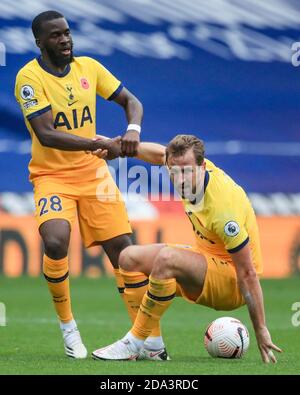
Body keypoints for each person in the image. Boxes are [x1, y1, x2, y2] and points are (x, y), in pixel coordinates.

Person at [14, 10, 145, 359]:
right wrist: (98, 144)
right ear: (40, 42)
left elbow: (131, 102)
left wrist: (132, 131)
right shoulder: (28, 78)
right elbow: (46, 133)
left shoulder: (90, 68)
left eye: (68, 33)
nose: (65, 40)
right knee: (55, 241)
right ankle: (68, 327)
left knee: (125, 252)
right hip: (52, 176)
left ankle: (144, 337)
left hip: (94, 174)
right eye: (56, 35)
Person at [91, 134, 282, 363]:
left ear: (202, 167)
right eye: (174, 170)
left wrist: (260, 328)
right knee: (129, 258)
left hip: (233, 283)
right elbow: (160, 154)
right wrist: (120, 146)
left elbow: (248, 273)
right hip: (208, 260)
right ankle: (153, 345)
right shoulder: (185, 166)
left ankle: (133, 342)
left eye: (187, 171)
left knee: (167, 259)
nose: (180, 179)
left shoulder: (222, 209)